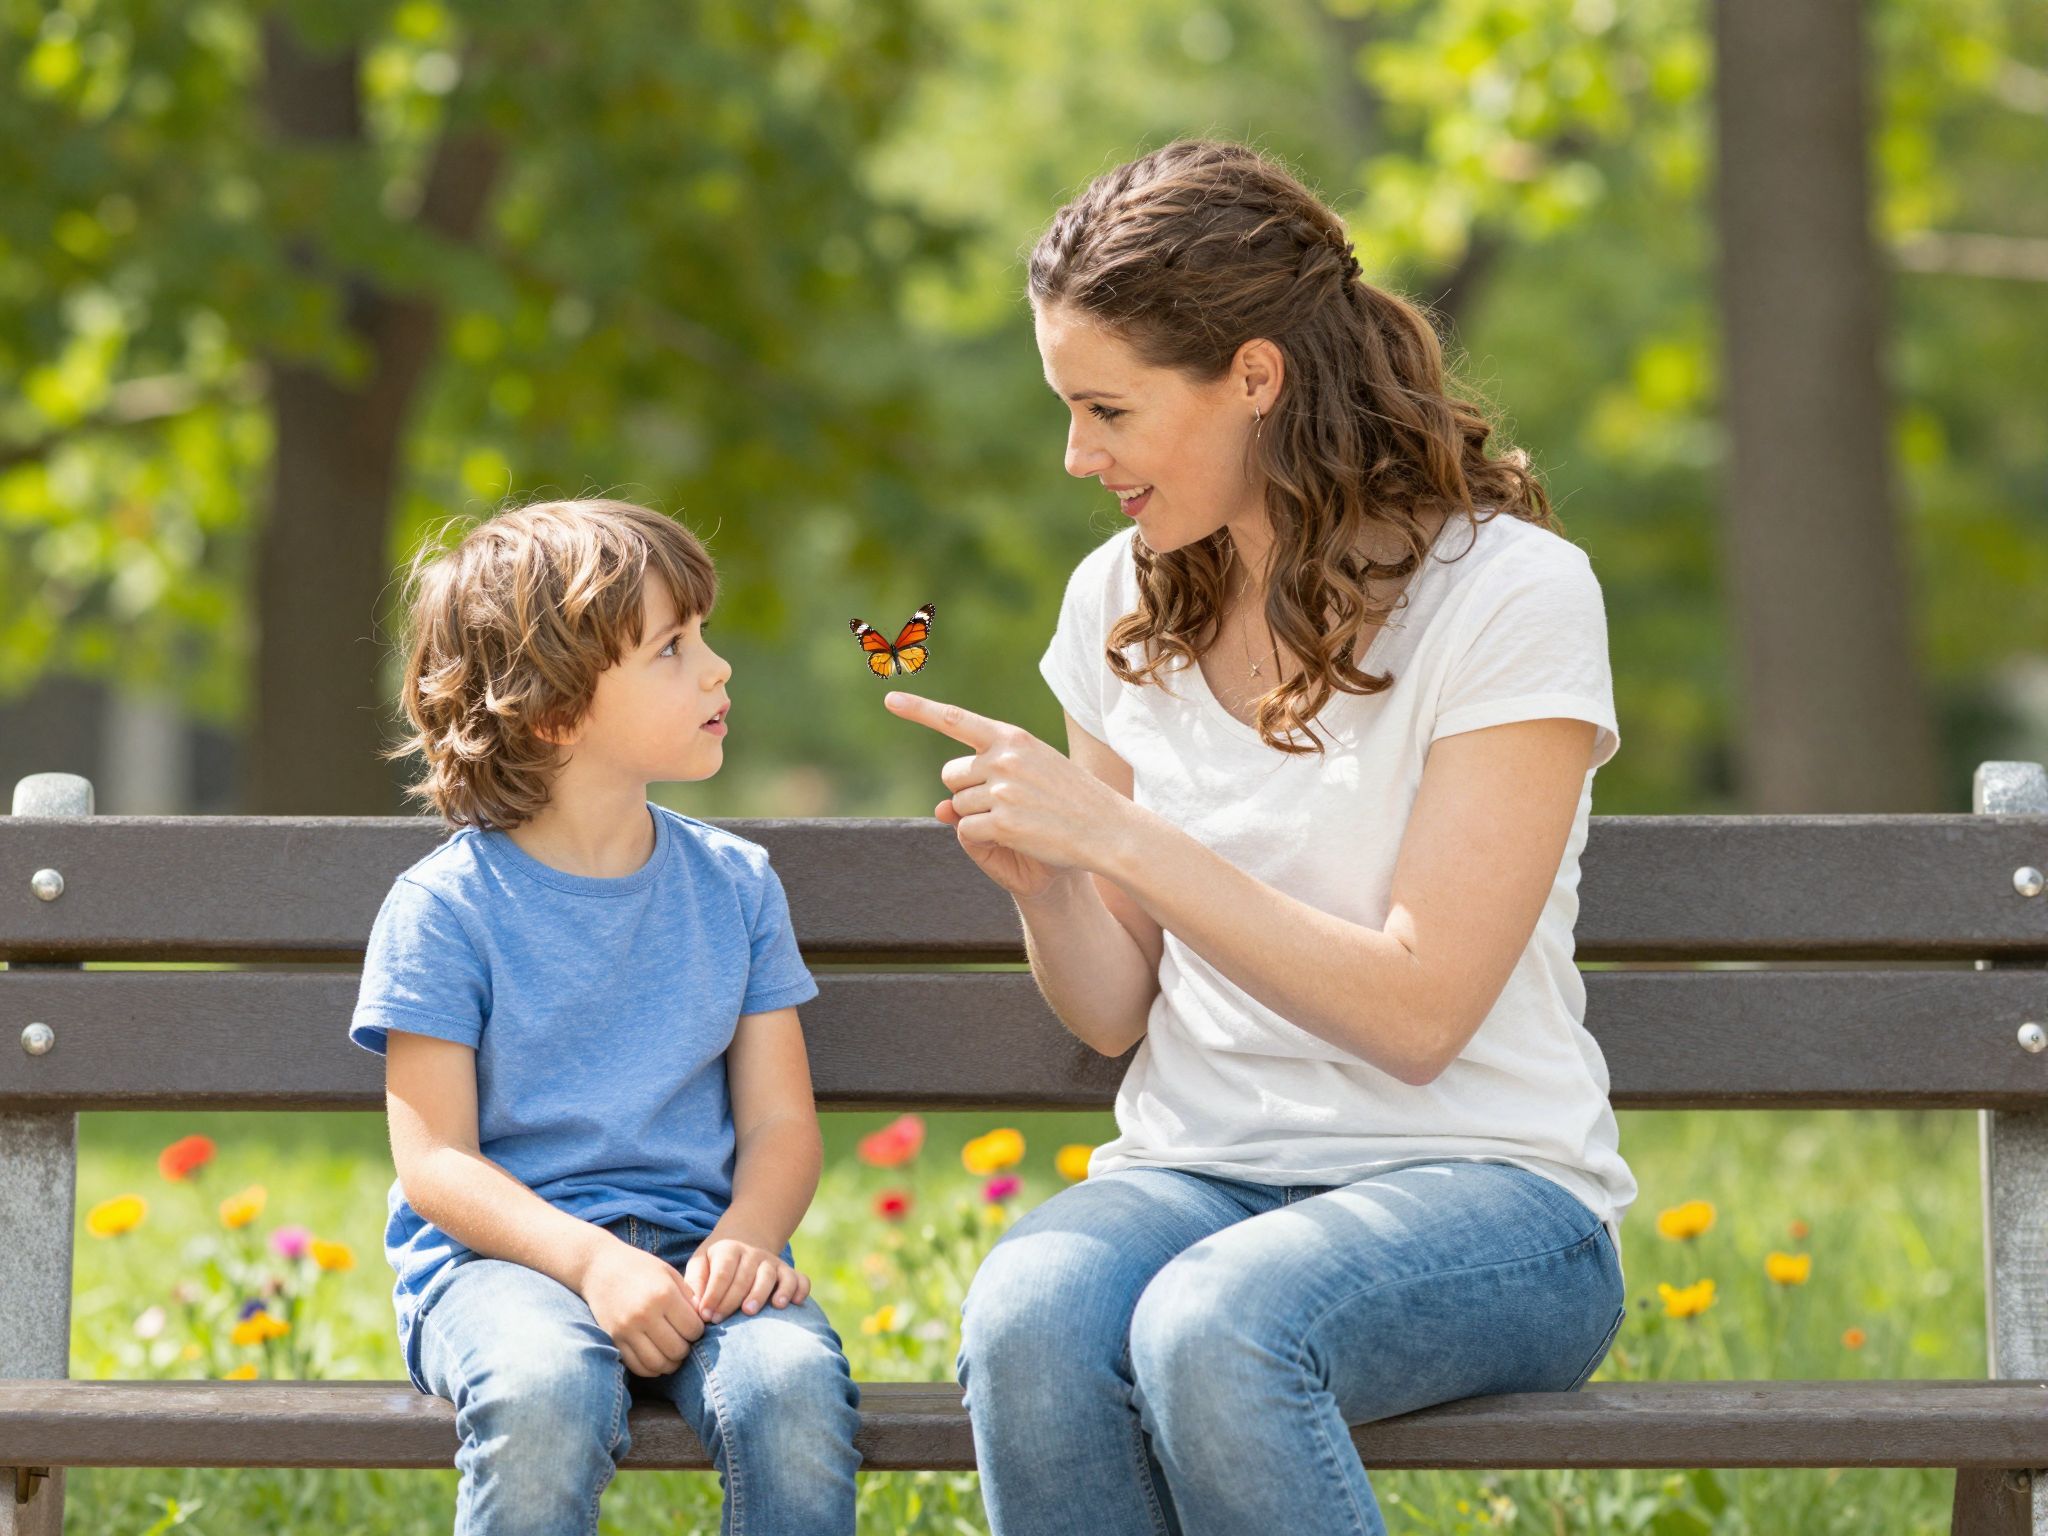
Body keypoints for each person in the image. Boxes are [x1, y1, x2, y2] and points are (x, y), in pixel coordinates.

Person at [884, 140, 1635, 1536]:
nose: (1076, 456)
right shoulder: (1120, 593)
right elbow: (1112, 1011)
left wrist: (1122, 837)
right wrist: (1053, 881)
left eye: (1107, 409)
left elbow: (1418, 1015)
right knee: (1033, 1311)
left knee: (1216, 1328)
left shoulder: (1511, 594)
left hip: (1488, 1197)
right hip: (1200, 1174)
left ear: (1255, 377)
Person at [350, 498, 859, 1536]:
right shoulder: (444, 908)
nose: (717, 668)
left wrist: (751, 1236)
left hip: (698, 1250)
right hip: (505, 1268)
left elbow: (778, 1124)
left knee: (790, 1393)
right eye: (673, 648)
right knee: (544, 1390)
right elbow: (434, 1162)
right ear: (554, 711)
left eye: (703, 637)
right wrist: (589, 1262)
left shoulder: (737, 885)